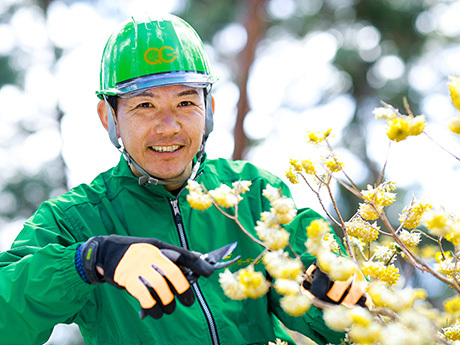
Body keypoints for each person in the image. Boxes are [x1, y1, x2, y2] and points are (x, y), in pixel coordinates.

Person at [0, 14, 350, 345]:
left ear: (208, 109)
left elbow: (346, 324)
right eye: (145, 106)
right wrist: (87, 261)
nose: (168, 126)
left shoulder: (255, 194)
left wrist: (341, 301)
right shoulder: (76, 219)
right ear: (109, 117)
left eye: (185, 102)